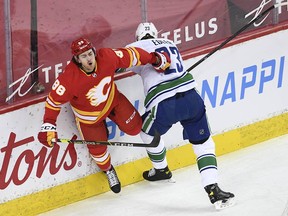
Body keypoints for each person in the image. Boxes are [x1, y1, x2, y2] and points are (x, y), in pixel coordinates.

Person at [37, 37, 171, 194]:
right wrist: (48, 125)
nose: (89, 59)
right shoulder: (68, 79)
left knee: (135, 128)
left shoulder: (107, 57)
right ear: (77, 59)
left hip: (113, 103)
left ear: (94, 51)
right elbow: (53, 102)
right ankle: (108, 170)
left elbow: (133, 55)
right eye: (84, 56)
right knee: (99, 153)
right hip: (89, 120)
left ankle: (108, 129)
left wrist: (155, 58)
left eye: (89, 54)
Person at [125, 22, 235, 209]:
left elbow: (118, 65)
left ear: (137, 38)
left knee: (146, 132)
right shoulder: (169, 42)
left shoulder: (133, 47)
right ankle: (213, 188)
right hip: (192, 97)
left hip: (164, 104)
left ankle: (161, 170)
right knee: (204, 143)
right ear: (155, 33)